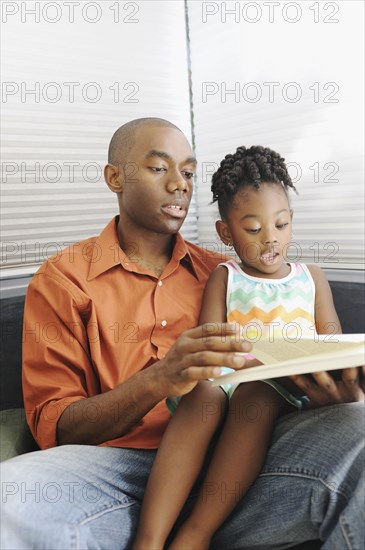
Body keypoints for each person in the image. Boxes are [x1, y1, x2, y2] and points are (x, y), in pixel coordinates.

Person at [0, 119, 364, 550]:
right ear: (115, 177)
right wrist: (157, 380)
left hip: (242, 470)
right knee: (11, 494)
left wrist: (333, 393)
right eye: (159, 169)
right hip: (116, 471)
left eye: (189, 173)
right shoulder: (65, 279)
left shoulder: (229, 273)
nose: (179, 185)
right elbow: (54, 427)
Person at [131, 145, 360, 550]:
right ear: (226, 232)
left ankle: (195, 533)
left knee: (256, 396)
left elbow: (329, 342)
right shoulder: (226, 276)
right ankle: (149, 539)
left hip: (290, 386)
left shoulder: (312, 277)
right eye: (253, 229)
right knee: (203, 391)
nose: (271, 238)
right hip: (235, 375)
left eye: (282, 224)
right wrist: (245, 357)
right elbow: (210, 343)